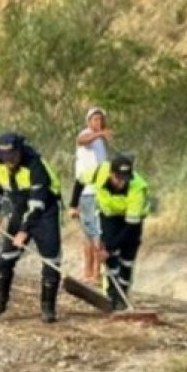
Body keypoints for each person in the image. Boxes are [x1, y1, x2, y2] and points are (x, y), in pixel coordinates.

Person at [0, 132, 63, 323]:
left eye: (12, 155)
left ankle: (48, 309)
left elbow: (37, 205)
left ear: (20, 151)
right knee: (5, 258)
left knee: (51, 261)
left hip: (45, 212)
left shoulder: (36, 166)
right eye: (4, 156)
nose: (8, 160)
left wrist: (24, 231)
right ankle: (0, 301)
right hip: (20, 211)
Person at [72, 153, 150, 311]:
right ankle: (112, 296)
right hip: (109, 217)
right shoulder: (100, 171)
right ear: (111, 174)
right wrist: (74, 205)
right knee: (111, 261)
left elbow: (130, 227)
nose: (122, 182)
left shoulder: (137, 188)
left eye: (125, 179)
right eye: (118, 178)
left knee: (126, 261)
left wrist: (109, 249)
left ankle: (122, 296)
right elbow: (80, 181)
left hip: (131, 223)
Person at [69, 107, 112, 284]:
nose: (98, 123)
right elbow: (81, 140)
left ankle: (92, 273)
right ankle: (92, 273)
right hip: (86, 193)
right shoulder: (87, 134)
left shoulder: (100, 142)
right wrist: (99, 133)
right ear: (88, 122)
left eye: (100, 119)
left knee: (93, 234)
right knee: (94, 234)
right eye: (94, 119)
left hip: (99, 193)